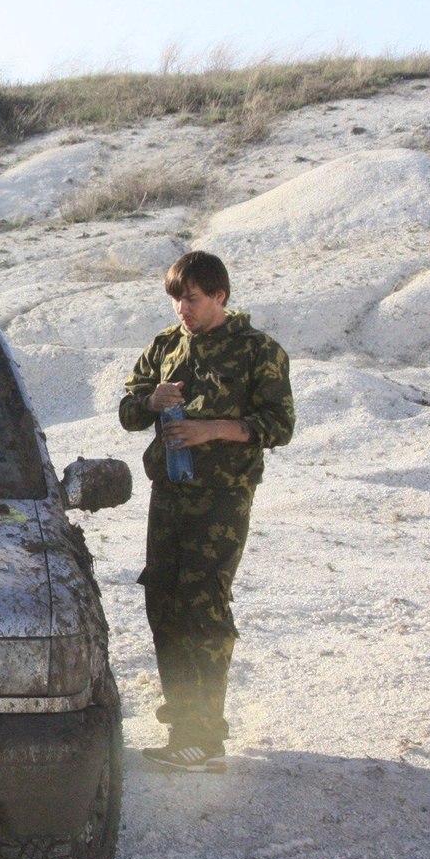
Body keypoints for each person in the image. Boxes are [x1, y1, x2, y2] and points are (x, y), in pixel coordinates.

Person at [119, 251, 295, 773]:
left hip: (221, 499)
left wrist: (212, 428)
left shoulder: (257, 350)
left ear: (219, 296)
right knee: (164, 603)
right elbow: (128, 412)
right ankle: (182, 726)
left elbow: (279, 426)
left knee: (204, 608)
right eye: (176, 298)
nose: (182, 309)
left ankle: (207, 733)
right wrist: (152, 400)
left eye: (192, 298)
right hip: (169, 495)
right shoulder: (166, 346)